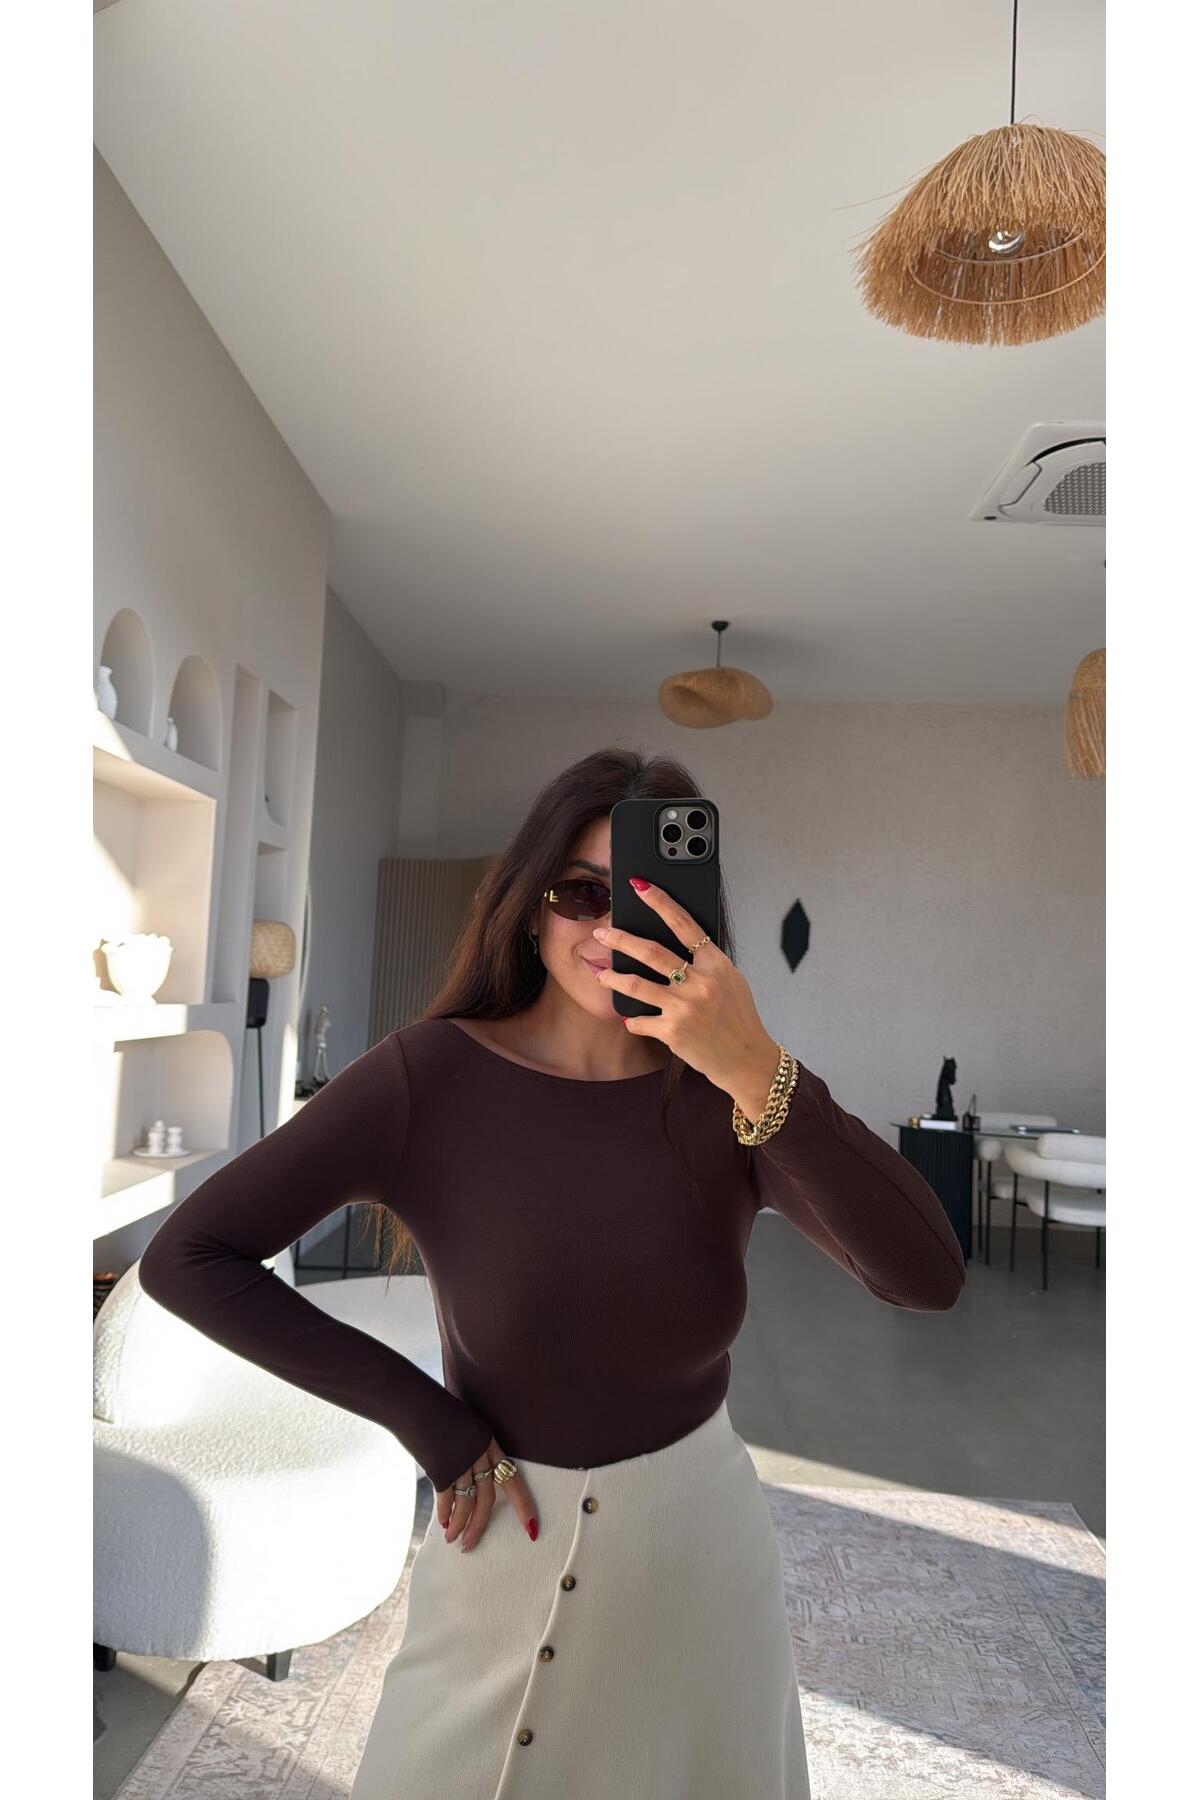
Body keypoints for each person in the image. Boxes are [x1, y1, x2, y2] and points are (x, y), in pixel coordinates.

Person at [137, 746, 966, 1800]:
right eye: (582, 894)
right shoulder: (428, 1079)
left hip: (701, 1569)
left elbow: (924, 1276)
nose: (613, 927)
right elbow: (189, 1256)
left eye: (650, 899)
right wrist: (429, 1422)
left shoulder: (732, 1098)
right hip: (498, 1557)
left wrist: (758, 1066)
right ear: (530, 911)